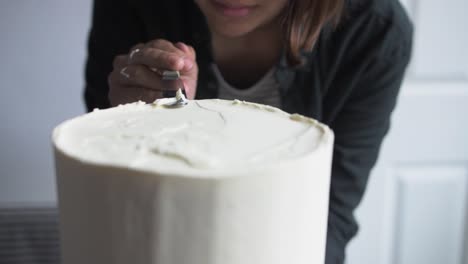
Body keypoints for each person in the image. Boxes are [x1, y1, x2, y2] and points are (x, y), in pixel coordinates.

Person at [84, 0, 413, 263]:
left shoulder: (374, 31)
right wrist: (135, 124)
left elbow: (330, 214)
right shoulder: (131, 7)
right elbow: (111, 199)